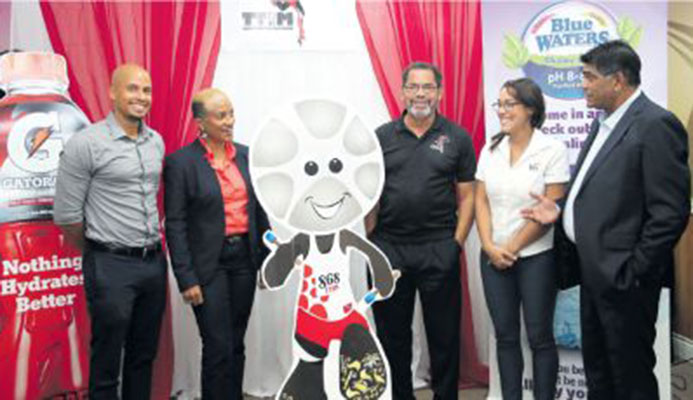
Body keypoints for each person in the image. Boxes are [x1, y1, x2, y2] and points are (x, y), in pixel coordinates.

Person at [522, 40, 690, 399]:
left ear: (617, 80)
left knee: (630, 378)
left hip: (624, 282)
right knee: (599, 372)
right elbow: (600, 192)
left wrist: (633, 272)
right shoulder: (604, 124)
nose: (582, 84)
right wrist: (562, 210)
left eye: (588, 76)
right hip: (594, 276)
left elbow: (669, 212)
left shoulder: (656, 125)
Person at [54, 64, 166, 399]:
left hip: (154, 263)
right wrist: (100, 253)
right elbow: (66, 216)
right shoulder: (86, 144)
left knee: (143, 356)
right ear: (113, 93)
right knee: (106, 360)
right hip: (109, 264)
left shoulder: (155, 142)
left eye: (146, 90)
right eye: (132, 89)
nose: (141, 97)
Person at [367, 61, 476, 400]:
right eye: (413, 87)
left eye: (428, 87)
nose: (420, 94)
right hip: (389, 249)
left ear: (439, 93)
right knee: (391, 336)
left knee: (444, 336)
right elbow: (367, 192)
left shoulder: (456, 137)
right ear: (402, 92)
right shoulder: (380, 137)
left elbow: (469, 195)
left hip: (437, 247)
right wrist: (372, 241)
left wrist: (455, 244)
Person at [164, 88, 269, 400]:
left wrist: (266, 259)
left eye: (231, 113)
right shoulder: (181, 163)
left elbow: (259, 210)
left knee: (236, 342)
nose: (229, 121)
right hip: (208, 265)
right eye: (220, 115)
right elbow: (176, 223)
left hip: (244, 262)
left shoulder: (247, 155)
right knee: (217, 345)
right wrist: (186, 277)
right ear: (200, 122)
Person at [475, 78, 569, 400]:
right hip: (492, 256)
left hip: (536, 257)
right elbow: (480, 200)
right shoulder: (490, 148)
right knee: (505, 336)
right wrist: (488, 245)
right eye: (499, 104)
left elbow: (549, 210)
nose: (501, 111)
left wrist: (511, 248)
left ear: (530, 109)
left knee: (540, 337)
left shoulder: (552, 150)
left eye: (509, 104)